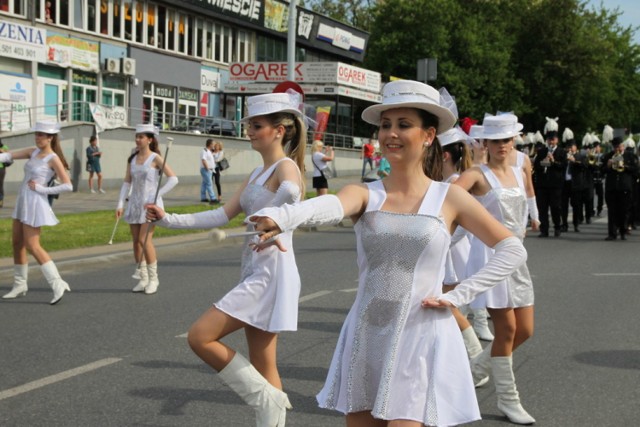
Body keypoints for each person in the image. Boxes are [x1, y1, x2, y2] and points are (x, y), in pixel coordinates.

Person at [249, 80, 528, 427]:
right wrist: (283, 216)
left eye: (403, 124)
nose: (391, 134)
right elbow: (329, 206)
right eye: (385, 125)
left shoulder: (449, 197)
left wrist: (459, 295)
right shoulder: (365, 194)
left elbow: (511, 248)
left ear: (428, 135)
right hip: (367, 335)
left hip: (420, 338)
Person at [145, 91, 307, 426]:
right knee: (264, 364)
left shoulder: (285, 166)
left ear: (279, 131)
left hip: (272, 272)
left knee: (200, 336)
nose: (249, 131)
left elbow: (292, 192)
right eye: (248, 125)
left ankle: (267, 398)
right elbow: (220, 215)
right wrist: (167, 219)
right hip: (255, 270)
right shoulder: (256, 174)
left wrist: (271, 216)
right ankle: (270, 403)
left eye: (257, 125)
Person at [454, 113, 536, 425]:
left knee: (526, 329)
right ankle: (508, 400)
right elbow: (448, 201)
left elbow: (527, 200)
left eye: (506, 139)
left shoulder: (518, 170)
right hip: (489, 257)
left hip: (517, 256)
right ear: (484, 142)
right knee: (508, 330)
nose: (501, 145)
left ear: (513, 141)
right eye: (495, 140)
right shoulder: (476, 174)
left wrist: (533, 219)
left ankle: (476, 367)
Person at [0, 121, 73, 304]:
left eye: (41, 135)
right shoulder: (32, 151)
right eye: (37, 134)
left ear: (50, 138)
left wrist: (43, 190)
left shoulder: (53, 158)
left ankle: (57, 283)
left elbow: (68, 185)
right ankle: (20, 285)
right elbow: (7, 156)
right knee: (17, 243)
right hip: (22, 200)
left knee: (33, 245)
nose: (38, 137)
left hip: (35, 202)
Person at [115, 124, 178, 295]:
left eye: (141, 136)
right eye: (137, 136)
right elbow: (127, 182)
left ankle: (153, 278)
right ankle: (142, 278)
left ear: (150, 139)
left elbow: (173, 179)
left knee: (144, 241)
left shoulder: (156, 158)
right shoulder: (132, 159)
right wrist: (120, 203)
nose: (138, 139)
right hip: (134, 204)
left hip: (150, 206)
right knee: (136, 242)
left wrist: (156, 196)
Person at [601, 136, 639, 240]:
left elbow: (636, 170)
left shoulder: (630, 156)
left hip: (625, 187)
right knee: (612, 211)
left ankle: (623, 231)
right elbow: (601, 171)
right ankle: (612, 234)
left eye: (619, 146)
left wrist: (625, 166)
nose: (617, 149)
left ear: (623, 146)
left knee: (624, 211)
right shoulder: (608, 156)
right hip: (612, 188)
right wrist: (607, 166)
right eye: (615, 147)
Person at [533, 129, 567, 237]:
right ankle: (544, 230)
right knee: (542, 208)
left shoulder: (562, 152)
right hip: (543, 184)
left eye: (553, 140)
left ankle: (557, 227)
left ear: (557, 140)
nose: (551, 142)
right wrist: (544, 162)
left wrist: (553, 161)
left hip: (556, 184)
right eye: (549, 140)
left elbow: (563, 166)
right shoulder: (542, 152)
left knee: (555, 207)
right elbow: (537, 166)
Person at [200, 139, 218, 204]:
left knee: (204, 184)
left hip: (208, 170)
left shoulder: (209, 151)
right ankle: (213, 198)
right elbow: (203, 160)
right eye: (213, 144)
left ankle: (203, 198)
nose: (214, 146)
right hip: (206, 170)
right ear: (210, 144)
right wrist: (207, 168)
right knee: (209, 184)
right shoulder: (205, 151)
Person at [0, 138, 9, 208]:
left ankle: (0, 200)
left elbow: (8, 156)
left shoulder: (4, 147)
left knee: (0, 185)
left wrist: (1, 150)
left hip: (1, 168)